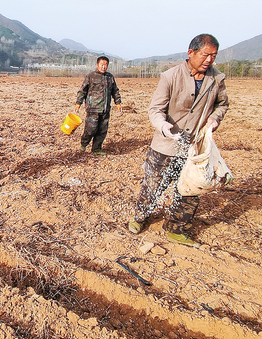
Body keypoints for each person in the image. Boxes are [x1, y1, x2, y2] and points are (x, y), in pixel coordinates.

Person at [128, 34, 229, 248]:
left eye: (213, 56)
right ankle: (140, 217)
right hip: (166, 144)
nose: (209, 60)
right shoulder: (170, 76)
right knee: (153, 186)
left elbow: (222, 105)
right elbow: (155, 109)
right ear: (191, 52)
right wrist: (163, 126)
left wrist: (214, 119)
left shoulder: (217, 79)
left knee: (190, 188)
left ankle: (177, 228)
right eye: (205, 55)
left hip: (194, 146)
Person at [75, 56, 122, 156]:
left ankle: (96, 149)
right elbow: (82, 91)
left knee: (102, 131)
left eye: (106, 65)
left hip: (105, 109)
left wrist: (118, 103)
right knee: (90, 129)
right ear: (97, 65)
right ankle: (83, 145)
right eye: (102, 64)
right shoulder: (91, 76)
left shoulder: (110, 77)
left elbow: (115, 91)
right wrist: (78, 103)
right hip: (93, 109)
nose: (104, 67)